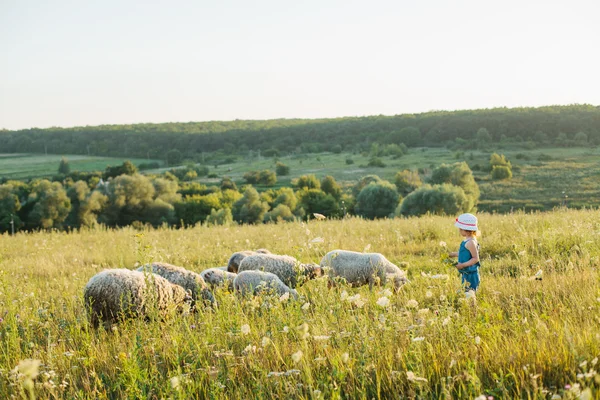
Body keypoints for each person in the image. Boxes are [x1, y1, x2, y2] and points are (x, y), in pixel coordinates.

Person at [448, 213, 480, 292]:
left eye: (460, 229)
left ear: (465, 229)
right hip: (466, 272)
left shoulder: (471, 242)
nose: (459, 231)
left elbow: (475, 258)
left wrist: (462, 265)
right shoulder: (467, 241)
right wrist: (454, 254)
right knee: (464, 291)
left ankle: (472, 303)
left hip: (471, 274)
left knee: (470, 292)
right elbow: (465, 254)